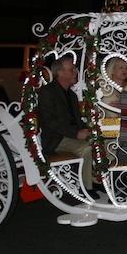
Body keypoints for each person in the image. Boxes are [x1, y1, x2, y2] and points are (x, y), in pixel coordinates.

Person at [38, 56, 99, 198]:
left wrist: (89, 129)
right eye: (72, 69)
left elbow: (76, 120)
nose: (75, 72)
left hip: (69, 136)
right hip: (56, 139)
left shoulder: (70, 94)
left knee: (99, 141)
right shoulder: (48, 93)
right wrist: (76, 133)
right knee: (87, 148)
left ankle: (96, 180)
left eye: (75, 69)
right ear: (59, 73)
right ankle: (86, 188)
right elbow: (51, 122)